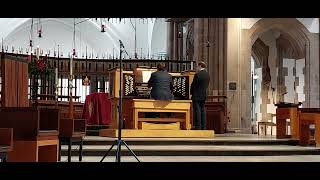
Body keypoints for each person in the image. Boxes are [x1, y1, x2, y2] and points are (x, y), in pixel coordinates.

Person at [190, 61, 210, 130]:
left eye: (197, 67)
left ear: (200, 66)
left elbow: (193, 85)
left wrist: (191, 93)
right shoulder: (207, 75)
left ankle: (198, 126)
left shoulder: (197, 75)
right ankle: (203, 126)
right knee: (203, 111)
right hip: (203, 95)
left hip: (196, 95)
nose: (196, 68)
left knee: (197, 111)